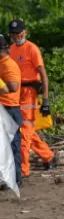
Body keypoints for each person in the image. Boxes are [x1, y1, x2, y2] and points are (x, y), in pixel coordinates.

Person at [8, 19, 55, 177]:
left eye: (18, 33)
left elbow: (43, 74)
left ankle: (23, 171)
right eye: (13, 34)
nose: (16, 36)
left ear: (25, 32)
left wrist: (46, 100)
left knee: (24, 133)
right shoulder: (11, 49)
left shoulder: (32, 49)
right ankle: (49, 156)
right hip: (16, 93)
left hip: (30, 95)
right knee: (25, 132)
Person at [0, 34, 22, 186]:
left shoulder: (9, 65)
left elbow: (12, 88)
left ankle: (14, 179)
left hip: (9, 108)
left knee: (12, 145)